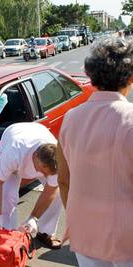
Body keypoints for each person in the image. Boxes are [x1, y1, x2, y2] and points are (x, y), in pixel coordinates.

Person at [57, 38, 133, 266]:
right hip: (126, 239)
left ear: (91, 77)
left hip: (85, 234)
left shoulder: (70, 119)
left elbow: (63, 180)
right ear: (129, 78)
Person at [0, 122, 62, 249]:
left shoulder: (58, 159)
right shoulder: (13, 152)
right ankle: (6, 234)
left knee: (58, 193)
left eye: (47, 174)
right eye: (42, 171)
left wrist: (34, 217)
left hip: (38, 130)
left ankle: (45, 232)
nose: (44, 175)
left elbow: (50, 191)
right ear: (35, 155)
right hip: (13, 135)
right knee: (8, 196)